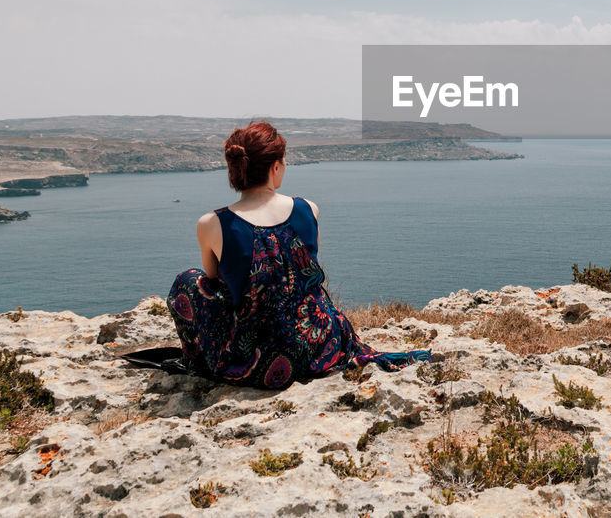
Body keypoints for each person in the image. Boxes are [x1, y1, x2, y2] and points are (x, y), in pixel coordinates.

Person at [167, 120, 430, 388]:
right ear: (275, 167)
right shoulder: (308, 209)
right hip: (321, 346)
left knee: (189, 280)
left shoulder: (211, 223)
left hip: (259, 364)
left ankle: (197, 363)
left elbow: (212, 282)